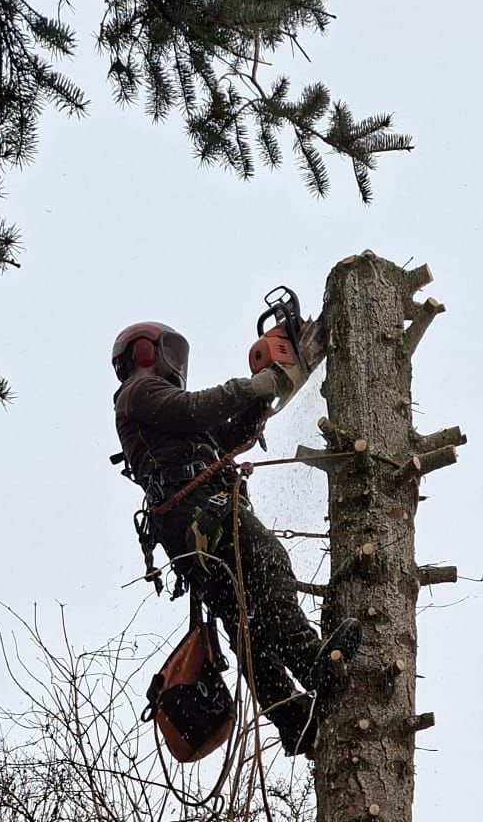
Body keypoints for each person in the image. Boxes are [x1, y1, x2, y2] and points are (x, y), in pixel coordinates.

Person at [112, 320, 360, 755]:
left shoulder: (164, 417)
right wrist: (255, 385)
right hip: (197, 514)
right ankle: (311, 661)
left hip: (190, 529)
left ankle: (292, 717)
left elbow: (222, 435)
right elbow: (197, 409)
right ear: (148, 354)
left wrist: (260, 403)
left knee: (247, 618)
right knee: (265, 561)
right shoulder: (139, 393)